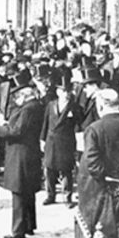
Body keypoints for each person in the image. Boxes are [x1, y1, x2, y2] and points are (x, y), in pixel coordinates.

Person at [76, 89, 119, 238]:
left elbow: (92, 164)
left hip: (101, 191)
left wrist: (108, 180)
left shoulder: (94, 129)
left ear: (100, 106)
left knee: (101, 234)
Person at [0, 72, 44, 238]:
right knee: (27, 190)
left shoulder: (29, 109)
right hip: (28, 152)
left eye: (16, 95)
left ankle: (18, 229)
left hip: (21, 153)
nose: (14, 99)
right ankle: (29, 225)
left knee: (19, 191)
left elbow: (17, 131)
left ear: (24, 94)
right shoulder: (34, 106)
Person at [41, 72, 82, 206]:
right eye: (62, 91)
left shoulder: (74, 107)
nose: (65, 93)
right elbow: (45, 123)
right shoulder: (51, 105)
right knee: (49, 169)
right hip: (51, 140)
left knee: (66, 170)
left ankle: (67, 197)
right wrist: (42, 139)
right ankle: (50, 195)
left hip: (66, 141)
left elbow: (78, 124)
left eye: (67, 91)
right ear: (58, 92)